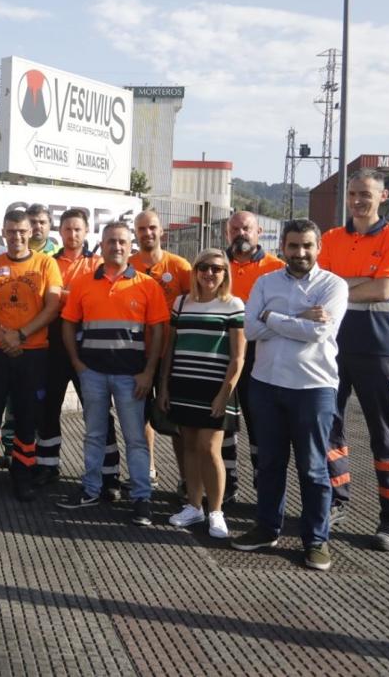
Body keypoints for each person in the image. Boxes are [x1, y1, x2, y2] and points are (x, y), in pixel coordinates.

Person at [232, 219, 348, 572]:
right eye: (294, 246)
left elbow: (319, 332)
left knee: (313, 469)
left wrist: (273, 317)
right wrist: (295, 317)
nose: (300, 253)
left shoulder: (334, 285)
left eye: (307, 246)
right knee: (269, 465)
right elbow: (250, 328)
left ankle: (316, 540)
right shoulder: (265, 282)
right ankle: (268, 527)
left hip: (313, 389)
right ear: (282, 245)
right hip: (266, 385)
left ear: (318, 248)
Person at [319, 169, 389, 552]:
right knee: (328, 429)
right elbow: (319, 286)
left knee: (388, 436)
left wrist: (340, 286)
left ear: (383, 196)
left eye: (367, 194)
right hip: (332, 349)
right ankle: (334, 502)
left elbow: (385, 288)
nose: (359, 200)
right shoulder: (330, 238)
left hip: (380, 351)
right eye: (354, 193)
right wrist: (361, 282)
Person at [58, 222, 168, 526]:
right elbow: (68, 323)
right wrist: (77, 364)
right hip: (92, 373)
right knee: (93, 435)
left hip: (131, 377)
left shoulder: (146, 284)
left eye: (122, 242)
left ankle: (142, 499)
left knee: (135, 439)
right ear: (102, 245)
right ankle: (91, 489)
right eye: (110, 242)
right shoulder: (82, 283)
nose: (116, 247)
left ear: (130, 245)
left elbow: (158, 331)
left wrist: (149, 372)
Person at [0, 209, 63, 500]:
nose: (16, 236)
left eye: (21, 231)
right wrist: (5, 337)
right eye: (11, 231)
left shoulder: (46, 265)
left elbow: (51, 307)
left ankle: (22, 474)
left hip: (33, 352)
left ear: (30, 232)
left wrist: (20, 334)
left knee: (27, 416)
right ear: (3, 233)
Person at [158, 249, 246, 539]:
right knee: (189, 448)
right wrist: (165, 387)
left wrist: (225, 394)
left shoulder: (233, 305)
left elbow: (238, 358)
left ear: (225, 274)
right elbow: (170, 348)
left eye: (217, 269)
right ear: (195, 271)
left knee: (210, 449)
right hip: (184, 385)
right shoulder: (181, 303)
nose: (210, 273)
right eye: (204, 267)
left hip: (215, 388)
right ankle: (194, 506)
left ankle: (216, 512)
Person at [36, 208, 102, 487]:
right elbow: (43, 299)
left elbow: (94, 300)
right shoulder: (48, 262)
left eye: (77, 229)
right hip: (53, 344)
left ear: (86, 232)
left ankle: (106, 475)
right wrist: (72, 296)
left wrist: (65, 296)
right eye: (67, 229)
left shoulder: (98, 264)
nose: (72, 234)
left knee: (95, 409)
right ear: (59, 232)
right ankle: (48, 466)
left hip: (88, 344)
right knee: (48, 407)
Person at [223, 210, 285, 500]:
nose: (241, 234)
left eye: (246, 228)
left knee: (263, 428)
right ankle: (225, 485)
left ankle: (266, 491)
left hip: (262, 361)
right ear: (227, 233)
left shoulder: (277, 268)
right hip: (221, 360)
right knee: (222, 426)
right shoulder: (215, 265)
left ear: (259, 231)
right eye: (235, 229)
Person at [132, 209, 193, 489]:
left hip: (174, 356)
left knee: (179, 419)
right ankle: (149, 470)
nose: (148, 233)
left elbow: (196, 305)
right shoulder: (127, 264)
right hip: (136, 355)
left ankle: (185, 478)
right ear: (136, 232)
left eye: (152, 228)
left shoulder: (180, 267)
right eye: (142, 229)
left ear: (161, 231)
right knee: (140, 417)